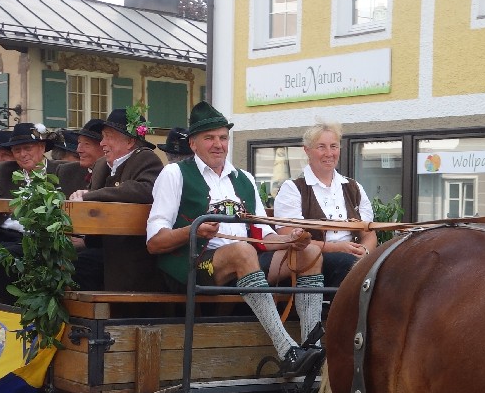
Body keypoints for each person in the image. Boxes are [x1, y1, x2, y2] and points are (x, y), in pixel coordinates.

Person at [146, 102, 320, 374]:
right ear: (193, 143)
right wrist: (193, 231)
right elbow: (155, 242)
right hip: (193, 265)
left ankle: (313, 347)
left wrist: (291, 240)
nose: (218, 144)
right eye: (209, 138)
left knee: (311, 254)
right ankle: (287, 350)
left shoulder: (244, 178)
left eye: (223, 137)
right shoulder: (174, 174)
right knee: (242, 251)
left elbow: (263, 234)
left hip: (245, 264)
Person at [268, 120, 377, 343]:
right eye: (321, 147)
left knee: (384, 266)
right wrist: (337, 248)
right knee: (348, 264)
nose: (329, 153)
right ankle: (346, 333)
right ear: (307, 151)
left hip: (352, 257)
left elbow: (369, 232)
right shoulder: (293, 189)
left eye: (334, 146)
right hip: (311, 261)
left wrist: (365, 252)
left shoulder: (353, 187)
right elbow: (291, 237)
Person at [0, 124, 88, 302]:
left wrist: (80, 238)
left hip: (37, 236)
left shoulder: (67, 170)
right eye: (17, 150)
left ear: (42, 148)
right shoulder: (5, 170)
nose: (22, 154)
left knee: (2, 257)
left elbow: (82, 204)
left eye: (27, 148)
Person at [67, 109, 164, 290]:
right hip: (103, 248)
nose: (102, 143)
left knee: (78, 268)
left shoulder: (145, 158)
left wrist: (88, 196)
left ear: (130, 141)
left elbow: (144, 190)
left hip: (131, 258)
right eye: (103, 137)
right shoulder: (102, 164)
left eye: (108, 137)